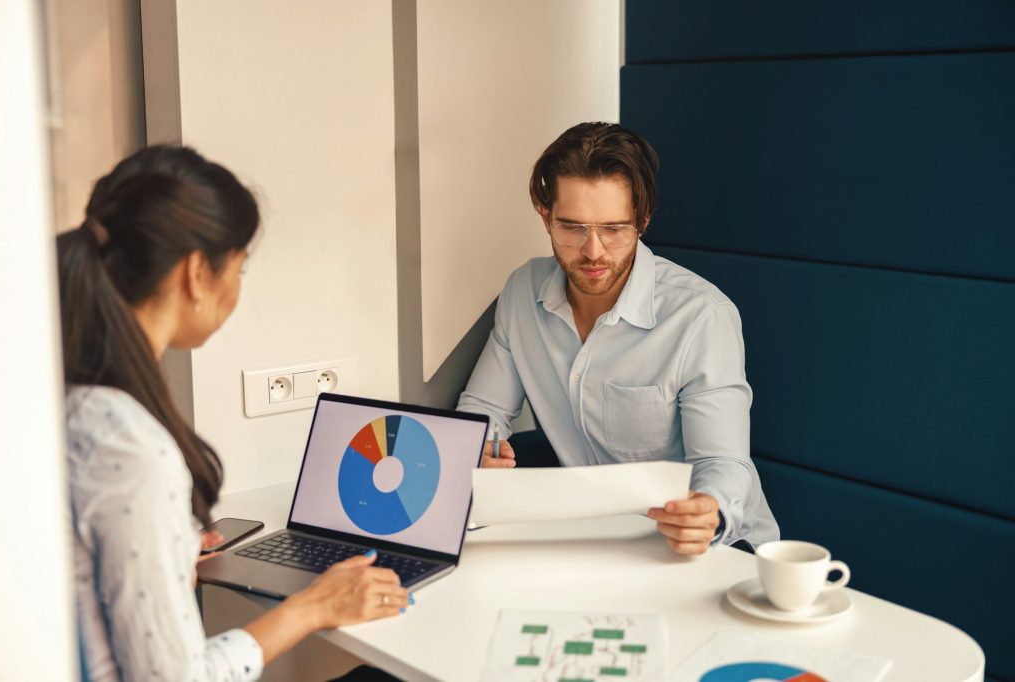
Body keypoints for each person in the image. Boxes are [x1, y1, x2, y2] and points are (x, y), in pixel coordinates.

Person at [60, 145, 407, 681]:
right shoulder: (130, 447)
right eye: (240, 267)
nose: (239, 285)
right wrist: (313, 606)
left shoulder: (70, 403)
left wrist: (165, 557)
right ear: (199, 273)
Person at [457, 122, 779, 555]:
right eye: (572, 227)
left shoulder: (701, 314)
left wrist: (710, 509)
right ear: (545, 216)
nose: (593, 251)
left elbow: (721, 462)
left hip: (714, 547)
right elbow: (483, 409)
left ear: (642, 221)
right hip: (596, 539)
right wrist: (476, 452)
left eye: (614, 228)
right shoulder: (521, 292)